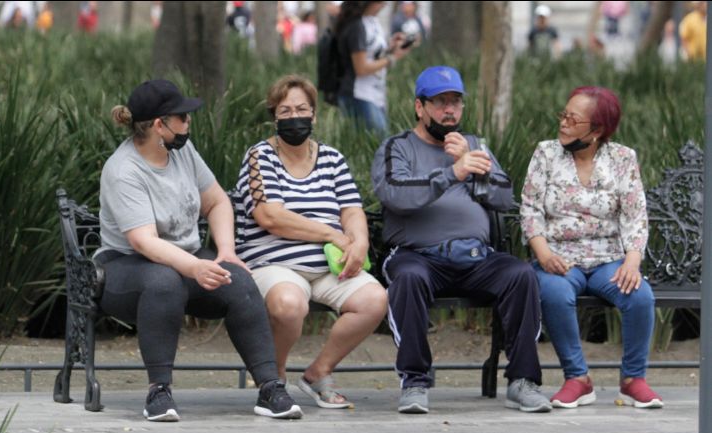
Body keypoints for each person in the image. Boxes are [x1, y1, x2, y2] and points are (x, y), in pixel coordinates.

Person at [98, 79, 302, 422]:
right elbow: (143, 241)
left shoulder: (182, 152)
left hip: (183, 260)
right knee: (163, 282)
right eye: (183, 117)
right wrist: (194, 268)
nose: (189, 123)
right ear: (159, 125)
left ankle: (270, 388)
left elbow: (218, 201)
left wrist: (225, 252)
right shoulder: (123, 170)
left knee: (238, 281)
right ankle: (158, 392)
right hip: (125, 268)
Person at [372, 66, 552, 414]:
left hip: (476, 256)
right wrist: (452, 172)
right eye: (440, 102)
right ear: (419, 107)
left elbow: (503, 199)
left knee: (521, 275)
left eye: (455, 102)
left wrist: (474, 169)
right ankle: (414, 381)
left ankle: (522, 381)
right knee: (408, 279)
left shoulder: (475, 147)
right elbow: (396, 195)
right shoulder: (397, 147)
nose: (449, 110)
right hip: (417, 255)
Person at [234, 74, 387, 409]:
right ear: (274, 116)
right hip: (274, 264)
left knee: (375, 299)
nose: (294, 117)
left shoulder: (331, 158)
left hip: (328, 266)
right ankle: (273, 381)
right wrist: (332, 234)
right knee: (290, 305)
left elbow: (351, 209)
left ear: (314, 115)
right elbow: (270, 217)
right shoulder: (260, 157)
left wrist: (358, 241)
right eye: (285, 111)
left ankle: (319, 372)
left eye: (302, 109)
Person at [520, 86, 663, 409]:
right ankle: (578, 379)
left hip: (607, 259)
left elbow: (635, 215)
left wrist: (632, 261)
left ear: (597, 131)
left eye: (574, 119)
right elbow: (530, 209)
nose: (564, 124)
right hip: (558, 257)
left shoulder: (623, 159)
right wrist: (543, 253)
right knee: (555, 294)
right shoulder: (546, 153)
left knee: (640, 295)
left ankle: (633, 380)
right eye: (564, 115)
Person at [335, 1, 414, 135]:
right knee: (378, 142)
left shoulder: (372, 21)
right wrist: (392, 58)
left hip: (375, 93)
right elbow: (361, 68)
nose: (384, 5)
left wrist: (391, 48)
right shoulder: (357, 25)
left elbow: (372, 55)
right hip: (358, 94)